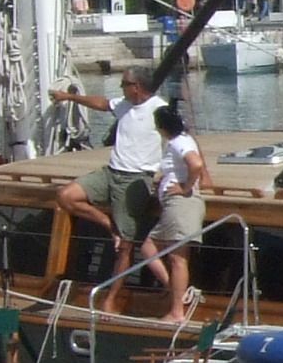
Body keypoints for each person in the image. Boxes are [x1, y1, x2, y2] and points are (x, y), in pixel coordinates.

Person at [50, 67, 168, 286]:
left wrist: (175, 176)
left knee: (125, 245)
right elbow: (102, 104)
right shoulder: (124, 105)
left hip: (136, 178)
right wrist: (69, 97)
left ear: (136, 87)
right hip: (111, 172)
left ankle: (113, 297)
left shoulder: (159, 109)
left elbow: (181, 139)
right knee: (66, 196)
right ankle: (109, 224)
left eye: (124, 84)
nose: (121, 88)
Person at [144, 99, 211, 326]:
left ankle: (176, 310)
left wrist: (185, 187)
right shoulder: (181, 140)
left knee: (176, 258)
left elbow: (196, 164)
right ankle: (174, 291)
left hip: (181, 205)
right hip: (178, 205)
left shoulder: (178, 143)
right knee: (161, 251)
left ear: (162, 127)